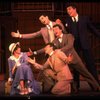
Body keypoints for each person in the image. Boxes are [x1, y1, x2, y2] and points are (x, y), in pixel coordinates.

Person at [52, 24, 100, 92]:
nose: (55, 31)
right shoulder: (54, 41)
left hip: (74, 59)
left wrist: (60, 50)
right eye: (53, 30)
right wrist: (35, 52)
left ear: (61, 29)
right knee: (67, 76)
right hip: (65, 61)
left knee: (85, 73)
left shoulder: (69, 36)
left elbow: (70, 46)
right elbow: (48, 48)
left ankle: (97, 87)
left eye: (56, 29)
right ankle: (73, 89)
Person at [65, 4, 100, 89]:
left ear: (75, 9)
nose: (68, 11)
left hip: (85, 45)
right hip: (74, 47)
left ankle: (95, 86)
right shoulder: (68, 21)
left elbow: (92, 29)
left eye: (70, 9)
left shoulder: (84, 19)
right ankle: (76, 86)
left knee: (90, 65)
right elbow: (65, 32)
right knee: (76, 66)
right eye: (67, 10)